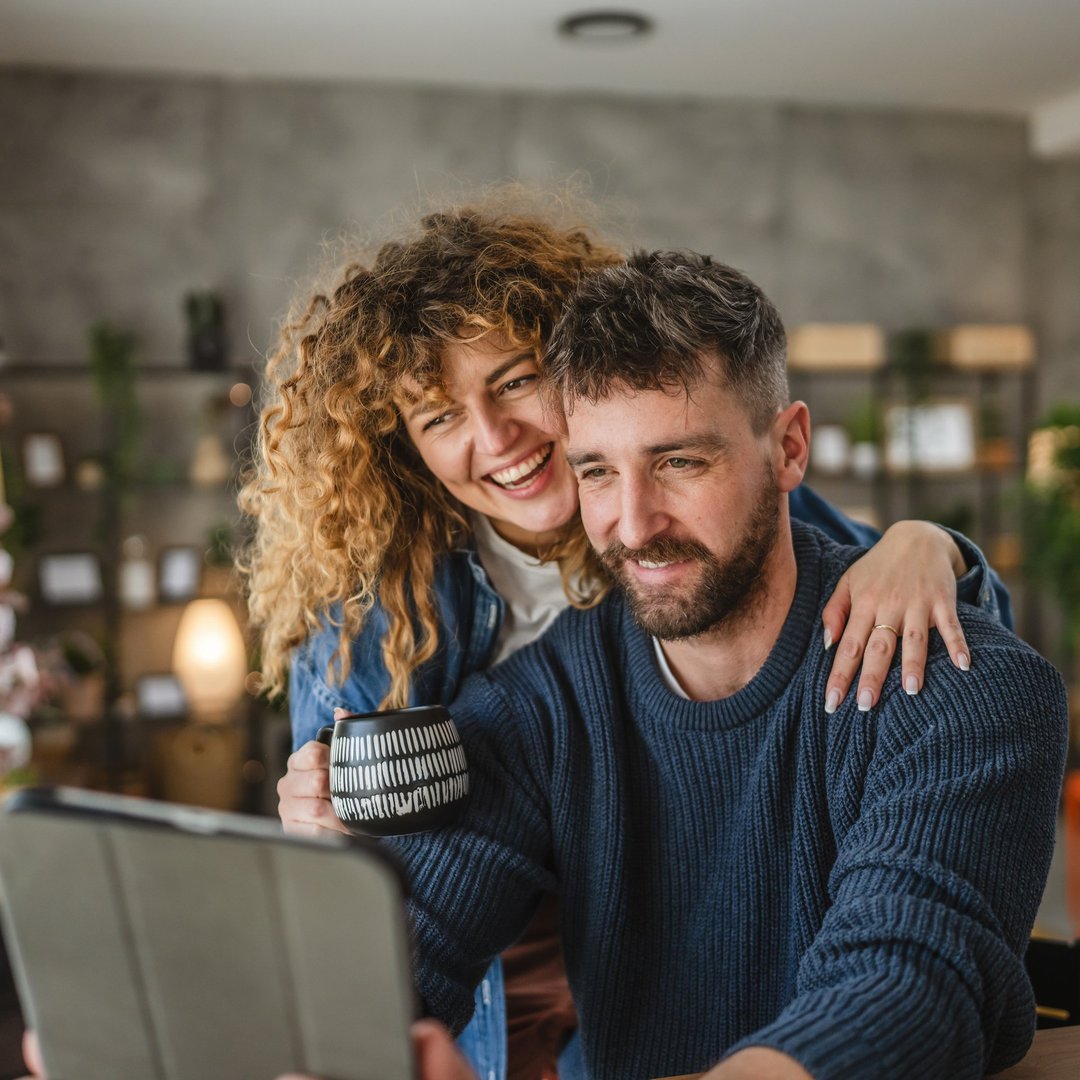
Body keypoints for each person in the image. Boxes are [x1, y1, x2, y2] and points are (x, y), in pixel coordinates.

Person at [254, 199, 1006, 1080]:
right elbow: (393, 920)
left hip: (657, 948)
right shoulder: (397, 620)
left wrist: (931, 546)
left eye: (512, 381)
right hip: (511, 972)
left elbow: (936, 658)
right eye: (440, 417)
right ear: (408, 448)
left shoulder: (731, 513)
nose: (495, 438)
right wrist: (323, 840)